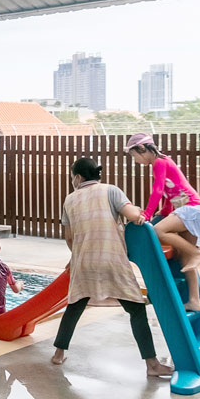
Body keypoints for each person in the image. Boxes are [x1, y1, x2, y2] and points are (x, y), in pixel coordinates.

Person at [51, 158, 174, 377]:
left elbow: (69, 238)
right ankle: (152, 364)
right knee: (136, 309)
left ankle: (58, 354)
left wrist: (77, 256)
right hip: (112, 259)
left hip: (84, 262)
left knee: (75, 305)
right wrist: (138, 211)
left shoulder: (69, 199)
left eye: (72, 177)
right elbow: (134, 216)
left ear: (78, 177)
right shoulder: (111, 191)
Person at [124, 134, 200, 311]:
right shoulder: (164, 161)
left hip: (192, 210)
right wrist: (164, 211)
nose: (135, 160)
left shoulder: (159, 163)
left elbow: (157, 190)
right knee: (185, 259)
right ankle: (195, 300)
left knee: (158, 230)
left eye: (134, 155)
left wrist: (147, 214)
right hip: (193, 210)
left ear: (142, 149)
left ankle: (197, 253)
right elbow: (170, 191)